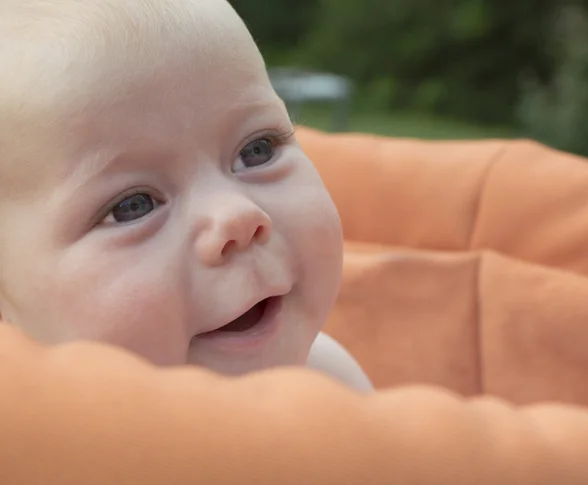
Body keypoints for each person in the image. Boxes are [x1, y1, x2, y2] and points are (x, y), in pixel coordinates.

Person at [0, 0, 371, 390]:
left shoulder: (334, 386)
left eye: (257, 150)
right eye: (132, 206)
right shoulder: (26, 444)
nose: (238, 216)